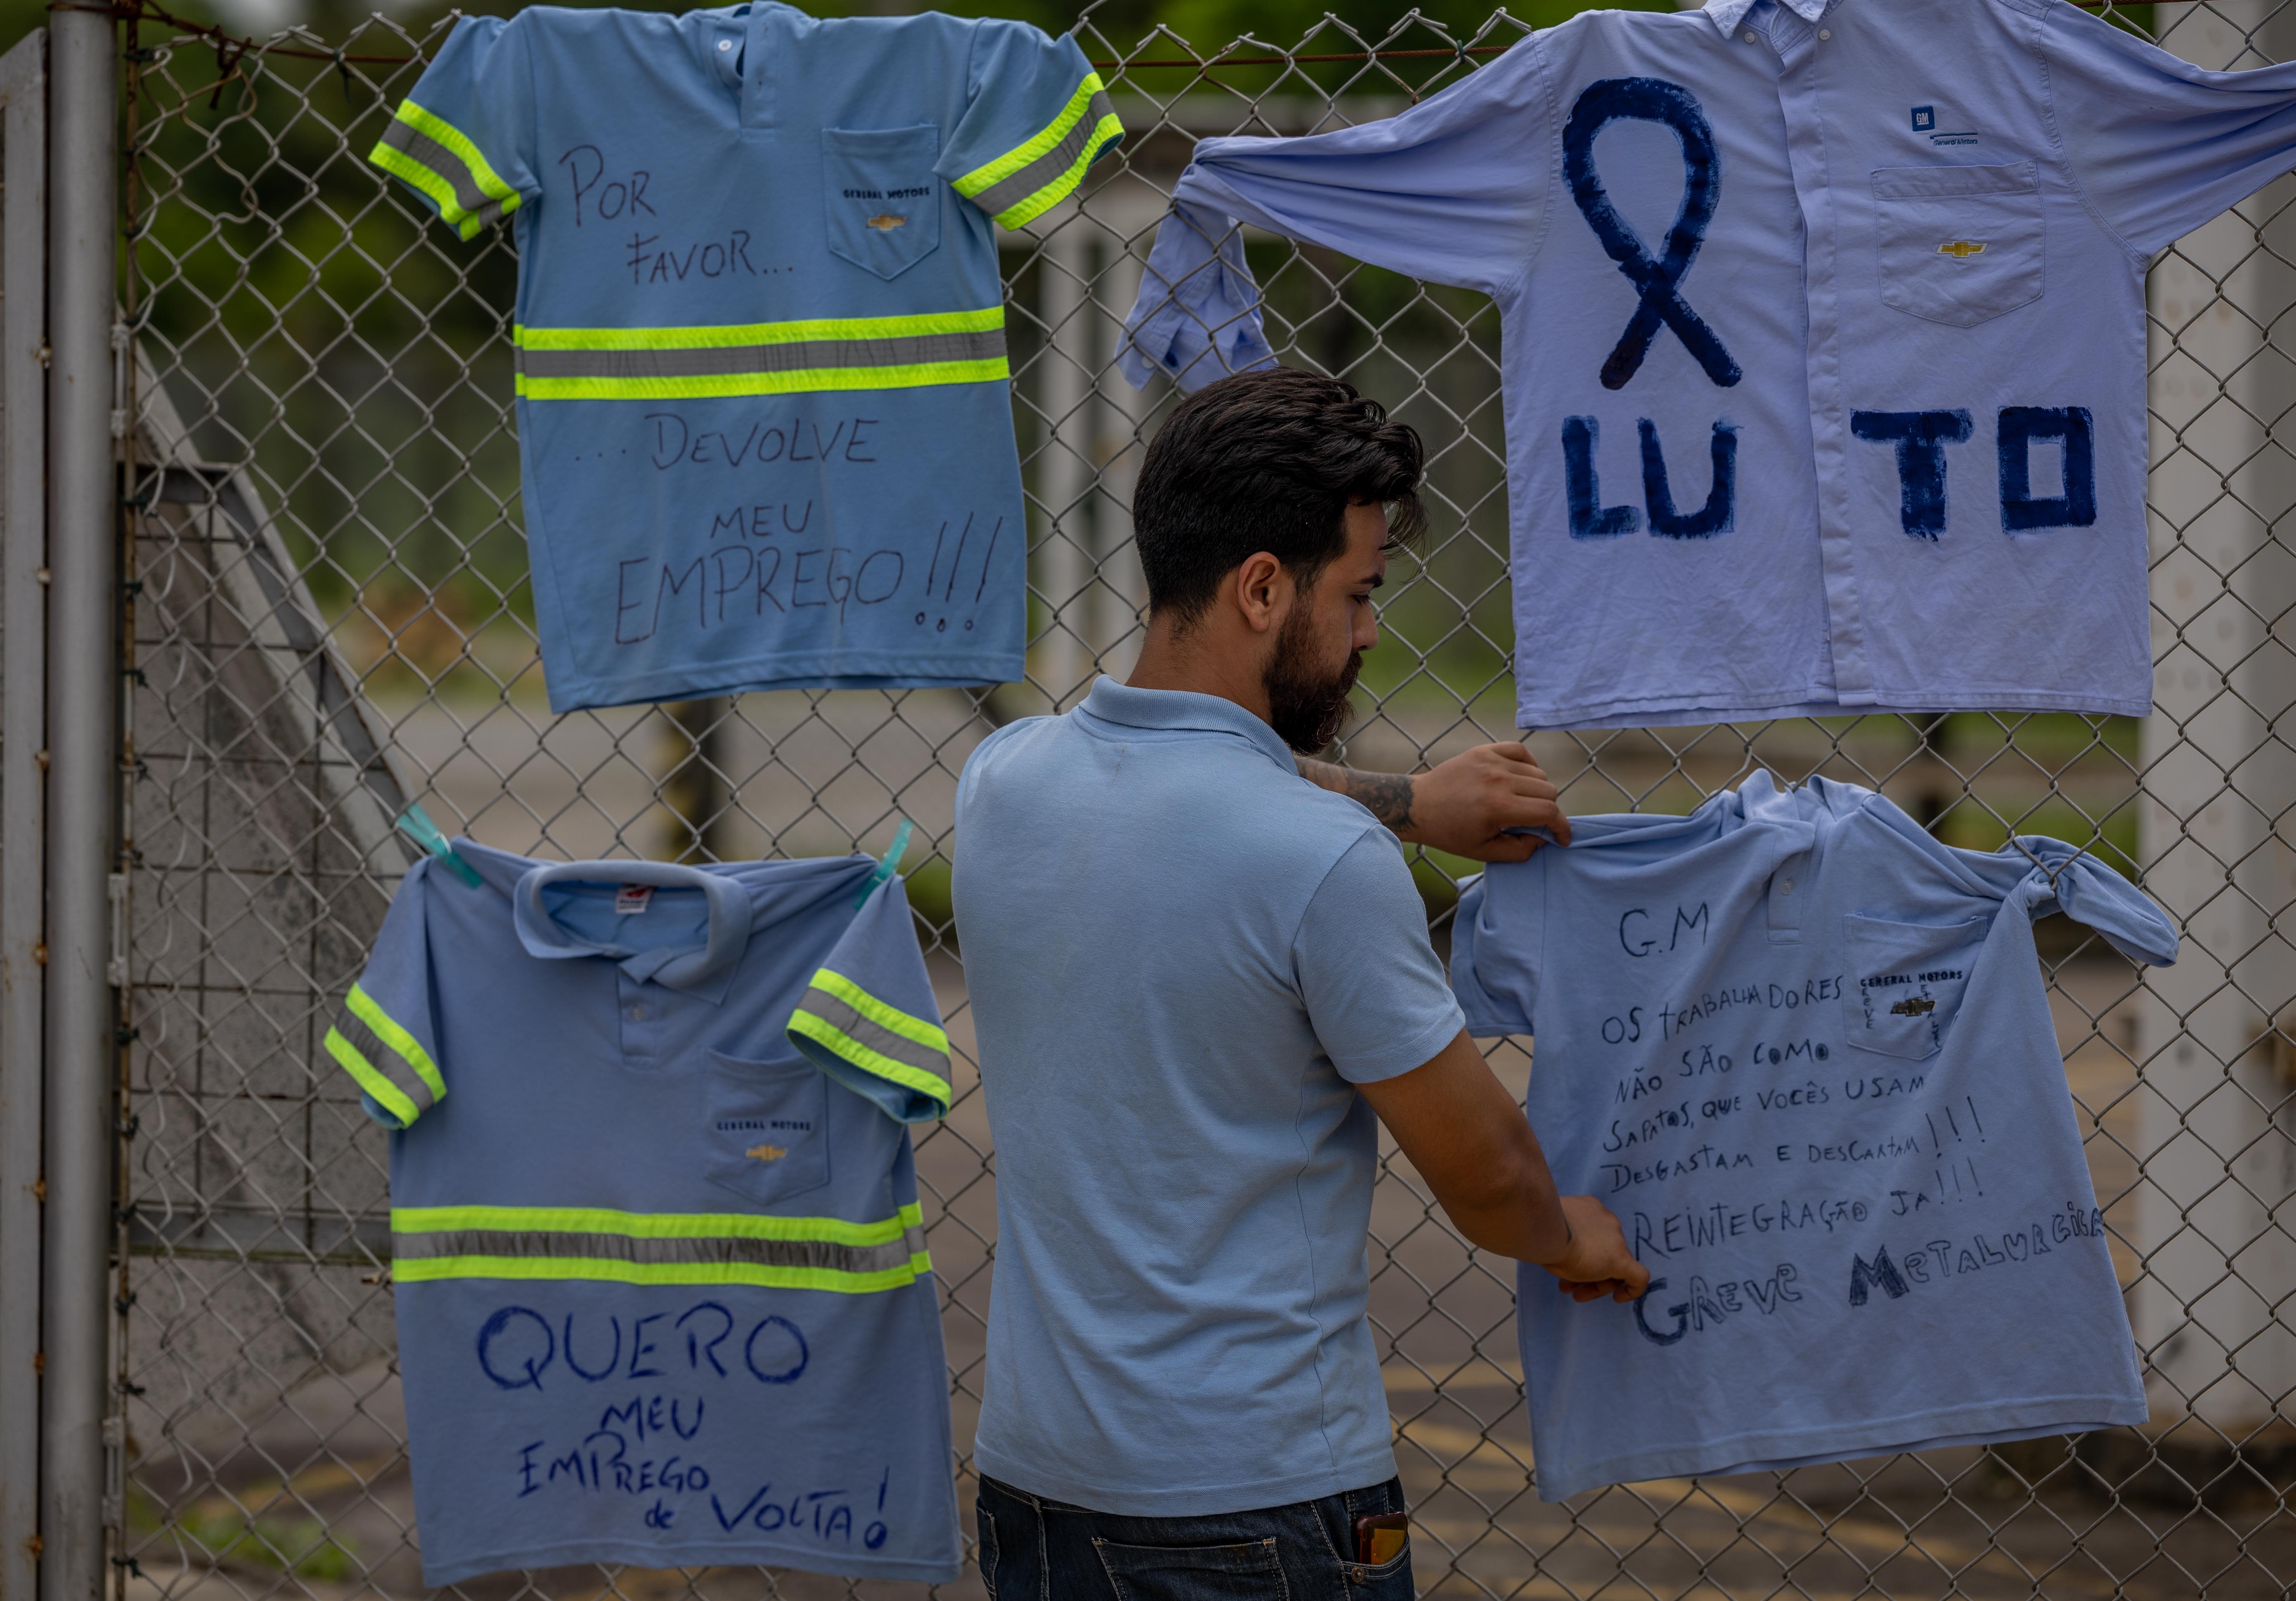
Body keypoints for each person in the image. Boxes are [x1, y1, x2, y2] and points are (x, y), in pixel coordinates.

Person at [951, 368, 1649, 1599]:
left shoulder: (1005, 784)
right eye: (1360, 591)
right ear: (1262, 587)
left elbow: (1182, 767)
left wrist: (1409, 803)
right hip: (1257, 1498)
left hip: (1036, 1483)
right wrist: (1569, 1236)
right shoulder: (1322, 865)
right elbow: (1486, 1177)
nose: (1373, 629)